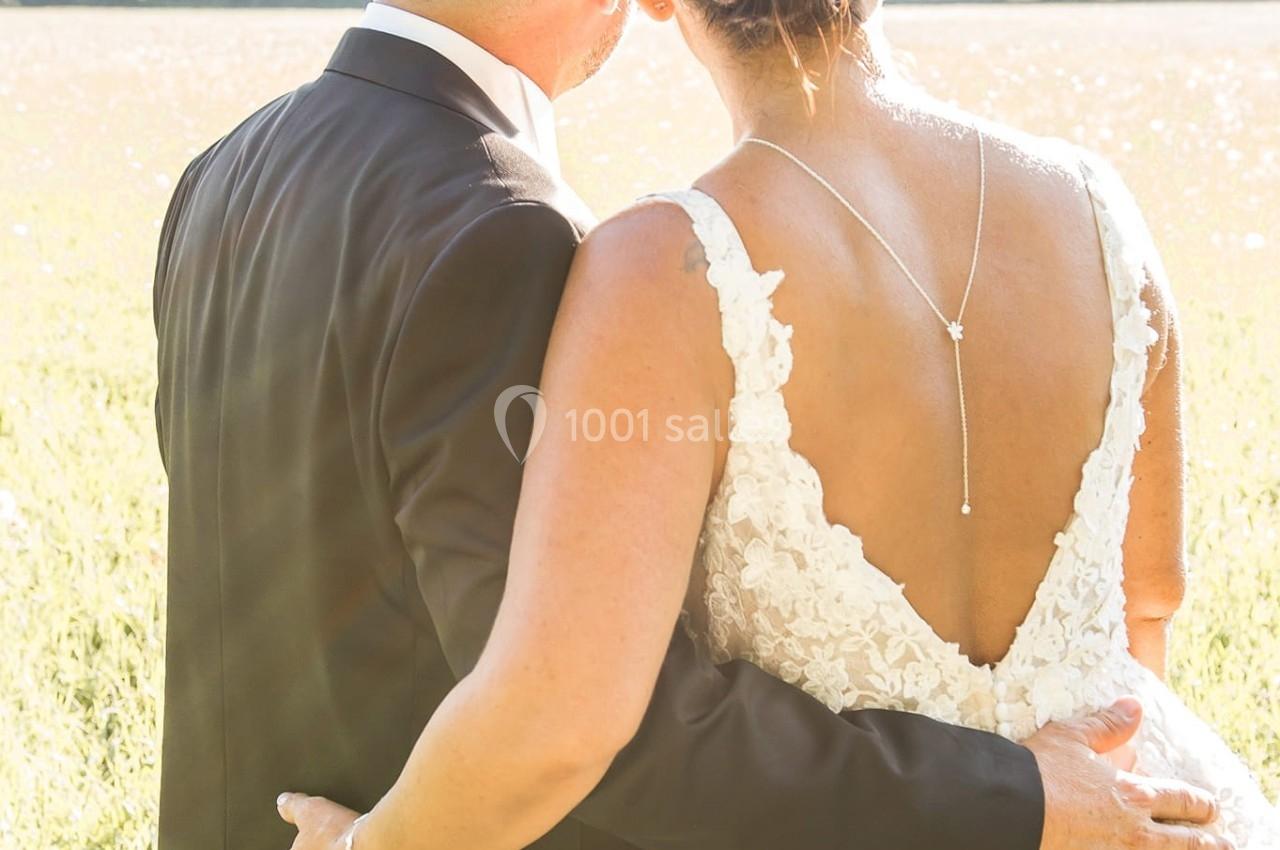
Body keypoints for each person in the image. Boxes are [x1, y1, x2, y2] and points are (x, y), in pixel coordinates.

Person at [238, 1, 1267, 849]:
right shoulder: (1097, 208)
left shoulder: (663, 268)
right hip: (1134, 815)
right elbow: (1148, 603)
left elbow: (558, 713)